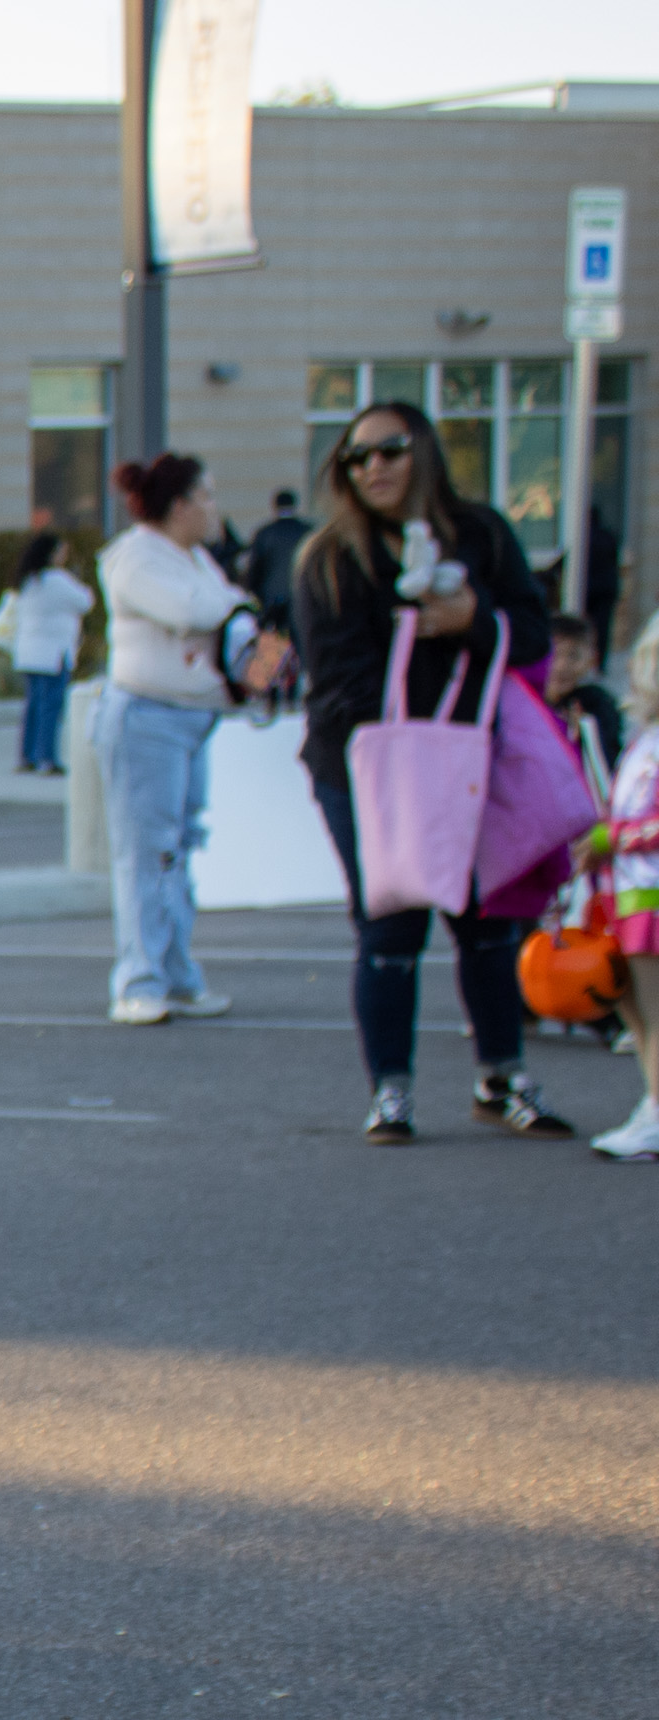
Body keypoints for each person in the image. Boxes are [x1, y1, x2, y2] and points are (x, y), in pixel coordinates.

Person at [294, 396, 570, 1144]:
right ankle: (391, 1090)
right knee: (391, 926)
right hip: (370, 766)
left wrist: (474, 622)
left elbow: (536, 630)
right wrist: (421, 640)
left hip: (475, 757)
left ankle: (501, 1075)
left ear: (424, 452)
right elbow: (336, 681)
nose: (372, 467)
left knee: (488, 922)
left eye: (388, 450)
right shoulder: (331, 556)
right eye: (356, 457)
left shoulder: (480, 534)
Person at [97, 455, 285, 1026]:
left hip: (190, 719)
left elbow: (235, 615)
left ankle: (176, 976)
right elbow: (192, 610)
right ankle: (139, 980)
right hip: (145, 719)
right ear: (177, 506)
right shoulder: (135, 556)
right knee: (147, 855)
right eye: (205, 497)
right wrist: (241, 609)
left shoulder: (194, 557)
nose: (213, 509)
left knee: (178, 851)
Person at [588, 615, 659, 1163]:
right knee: (636, 1014)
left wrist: (610, 837)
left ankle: (656, 1116)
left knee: (653, 1018)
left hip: (651, 894)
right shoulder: (646, 737)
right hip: (632, 894)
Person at [0, 529, 94, 775]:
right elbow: (86, 601)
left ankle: (27, 756)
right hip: (53, 653)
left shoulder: (26, 581)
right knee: (51, 707)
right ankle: (47, 758)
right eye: (61, 551)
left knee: (34, 706)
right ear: (52, 553)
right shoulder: (57, 580)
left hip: (29, 652)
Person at [547, 614, 628, 772]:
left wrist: (586, 736)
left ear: (592, 660)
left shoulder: (597, 705)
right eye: (555, 654)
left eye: (573, 656)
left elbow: (609, 762)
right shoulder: (529, 703)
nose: (562, 666)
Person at [244, 487, 311, 635]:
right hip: (303, 601)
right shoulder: (307, 532)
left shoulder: (264, 534)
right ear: (295, 505)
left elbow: (254, 571)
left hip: (272, 604)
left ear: (275, 506)